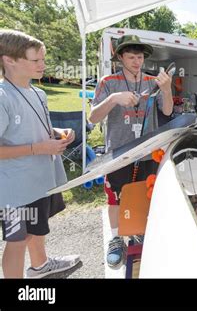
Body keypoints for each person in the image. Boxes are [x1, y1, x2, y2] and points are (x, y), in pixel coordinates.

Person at [0, 29, 80, 278]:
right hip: (14, 188)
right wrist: (38, 148)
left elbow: (34, 127)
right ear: (9, 59)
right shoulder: (3, 96)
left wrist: (58, 132)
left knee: (36, 230)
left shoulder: (38, 92)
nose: (42, 65)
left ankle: (40, 266)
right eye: (35, 60)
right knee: (16, 240)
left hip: (38, 181)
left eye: (43, 59)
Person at [89, 34, 173, 267]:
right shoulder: (108, 82)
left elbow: (166, 112)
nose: (136, 61)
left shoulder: (151, 81)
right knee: (115, 197)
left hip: (147, 151)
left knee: (144, 192)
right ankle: (116, 239)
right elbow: (93, 117)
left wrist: (165, 90)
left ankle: (138, 230)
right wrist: (115, 99)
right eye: (131, 56)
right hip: (118, 152)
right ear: (120, 57)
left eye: (140, 56)